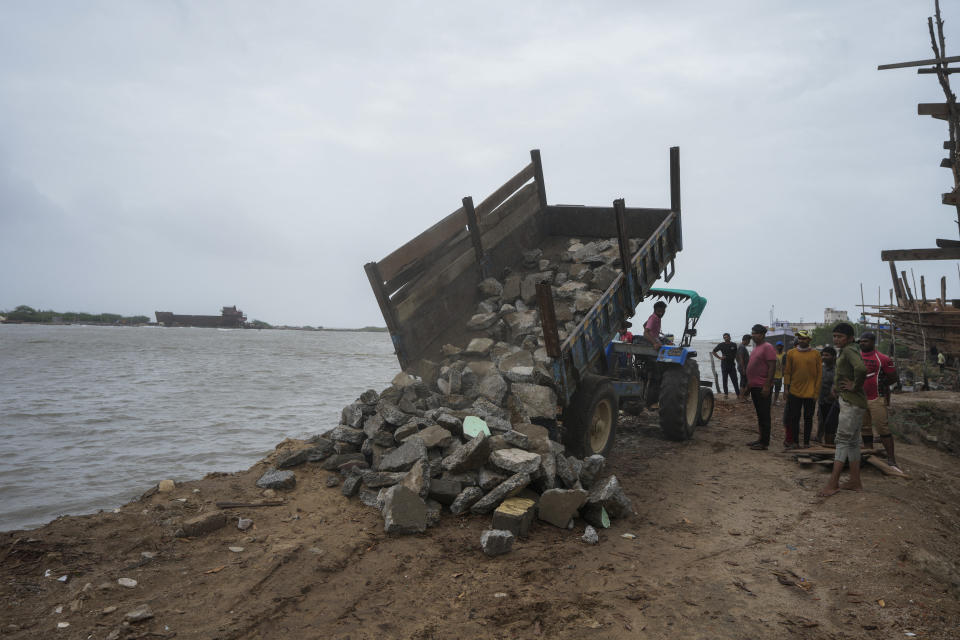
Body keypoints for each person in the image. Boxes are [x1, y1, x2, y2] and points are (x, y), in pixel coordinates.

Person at [818, 323, 867, 497]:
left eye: (840, 336)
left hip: (851, 403)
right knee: (852, 442)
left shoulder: (848, 350)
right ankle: (855, 481)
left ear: (850, 338)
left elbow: (861, 369)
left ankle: (833, 483)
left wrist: (855, 386)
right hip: (854, 402)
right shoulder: (850, 348)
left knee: (842, 441)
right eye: (835, 336)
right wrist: (838, 387)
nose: (836, 339)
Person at [859, 332, 901, 472]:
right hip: (860, 399)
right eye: (861, 341)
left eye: (865, 341)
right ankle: (869, 454)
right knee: (865, 428)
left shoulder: (882, 358)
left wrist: (882, 385)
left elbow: (893, 377)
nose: (862, 343)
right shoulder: (857, 357)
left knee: (882, 427)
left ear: (872, 342)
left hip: (877, 397)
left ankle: (891, 459)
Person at [783, 329, 822, 449]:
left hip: (810, 393)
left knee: (808, 418)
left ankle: (806, 443)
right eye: (799, 338)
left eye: (804, 338)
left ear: (809, 340)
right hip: (794, 391)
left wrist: (816, 392)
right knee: (794, 418)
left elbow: (819, 375)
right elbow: (788, 372)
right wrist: (786, 389)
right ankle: (795, 442)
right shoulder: (791, 353)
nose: (801, 340)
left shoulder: (816, 354)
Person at [741, 324, 777, 450]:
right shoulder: (757, 348)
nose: (753, 335)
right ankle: (760, 439)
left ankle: (764, 443)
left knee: (764, 415)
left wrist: (767, 385)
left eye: (755, 333)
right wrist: (748, 387)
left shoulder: (768, 347)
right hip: (755, 386)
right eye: (752, 333)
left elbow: (772, 366)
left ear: (762, 335)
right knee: (760, 415)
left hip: (763, 387)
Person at [815, 346, 838, 444]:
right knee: (821, 420)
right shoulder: (820, 367)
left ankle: (831, 440)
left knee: (832, 422)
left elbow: (837, 383)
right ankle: (819, 438)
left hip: (833, 401)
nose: (824, 357)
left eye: (827, 355)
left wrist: (833, 394)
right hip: (821, 399)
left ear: (833, 357)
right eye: (823, 355)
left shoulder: (837, 369)